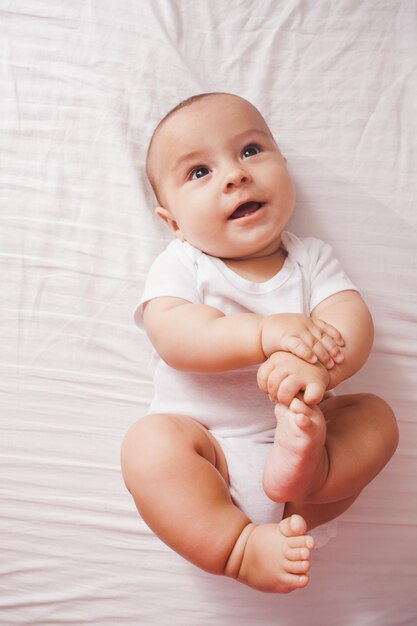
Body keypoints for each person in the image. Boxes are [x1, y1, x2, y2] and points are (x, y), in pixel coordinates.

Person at [121, 92, 398, 593]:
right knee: (149, 447)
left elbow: (349, 318)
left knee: (376, 416)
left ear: (283, 167)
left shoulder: (310, 258)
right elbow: (176, 336)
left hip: (305, 441)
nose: (234, 175)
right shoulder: (184, 264)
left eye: (250, 151)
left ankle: (314, 475)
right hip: (209, 450)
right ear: (173, 223)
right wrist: (263, 332)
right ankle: (239, 548)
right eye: (199, 173)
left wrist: (324, 371)